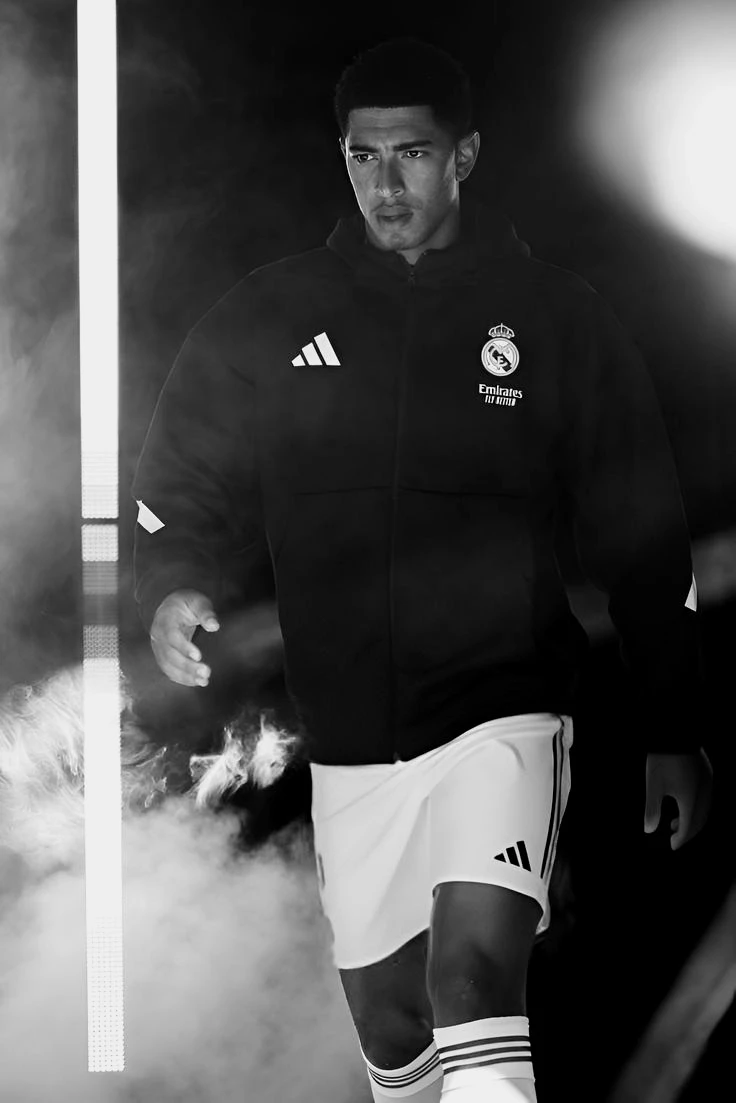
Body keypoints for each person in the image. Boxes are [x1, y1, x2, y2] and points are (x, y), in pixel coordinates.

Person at [132, 37, 713, 1103]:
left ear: (464, 156)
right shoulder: (275, 312)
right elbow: (182, 470)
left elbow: (642, 530)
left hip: (503, 709)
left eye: (411, 154)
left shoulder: (554, 317)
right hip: (350, 731)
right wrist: (173, 577)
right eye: (364, 157)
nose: (385, 183)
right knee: (393, 1019)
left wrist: (672, 723)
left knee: (472, 976)